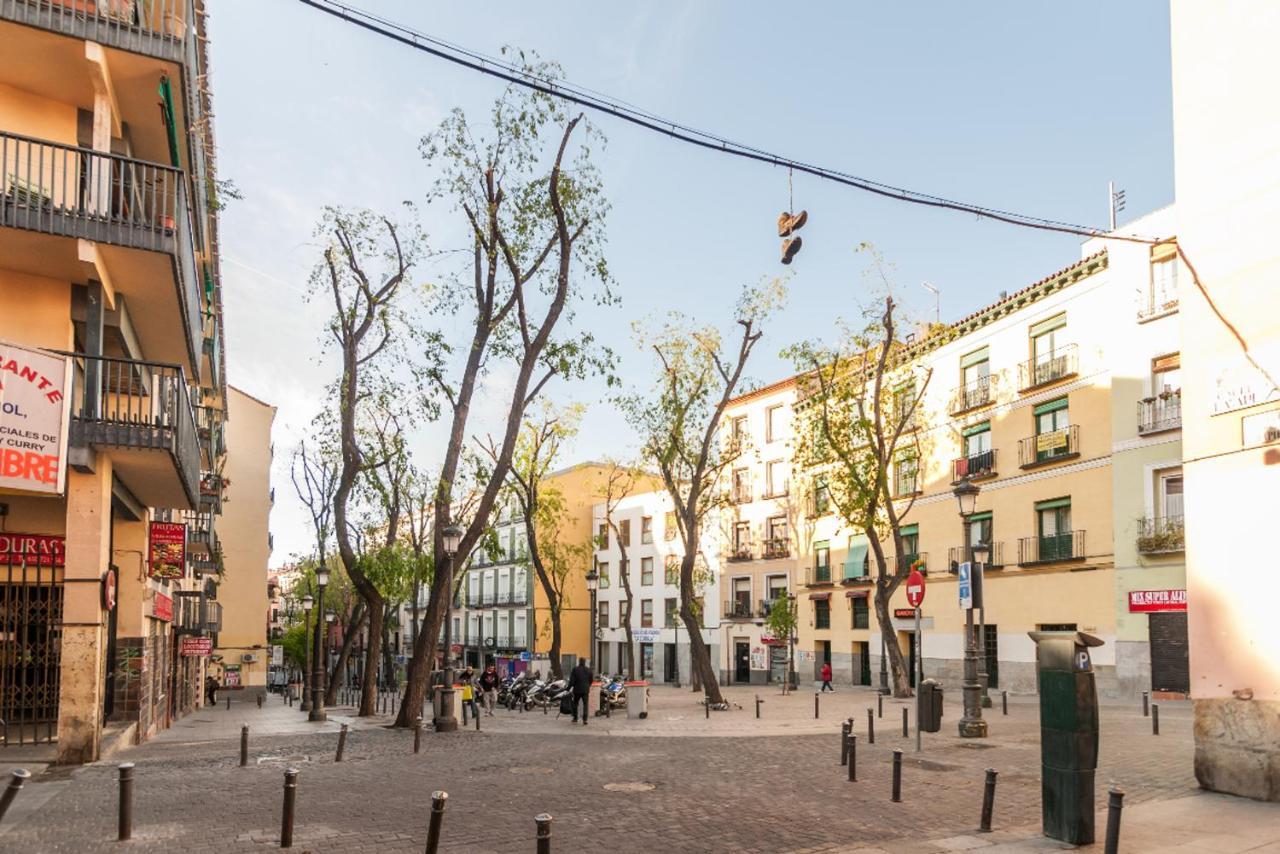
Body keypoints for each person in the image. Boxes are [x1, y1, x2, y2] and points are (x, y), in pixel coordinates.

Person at [568, 659, 593, 725]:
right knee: (585, 704)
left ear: (579, 662)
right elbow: (591, 680)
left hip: (577, 690)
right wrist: (588, 685)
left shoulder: (575, 669)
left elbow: (572, 681)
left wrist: (568, 688)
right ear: (584, 662)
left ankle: (575, 718)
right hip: (585, 690)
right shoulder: (588, 670)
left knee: (575, 704)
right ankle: (585, 719)